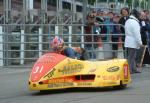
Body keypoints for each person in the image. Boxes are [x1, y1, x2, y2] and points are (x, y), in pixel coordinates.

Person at [124, 9, 143, 74]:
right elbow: (137, 34)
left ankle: (133, 68)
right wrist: (140, 42)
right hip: (133, 41)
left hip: (129, 40)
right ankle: (129, 69)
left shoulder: (128, 21)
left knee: (132, 56)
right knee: (131, 57)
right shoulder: (134, 22)